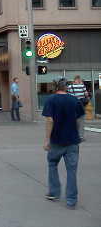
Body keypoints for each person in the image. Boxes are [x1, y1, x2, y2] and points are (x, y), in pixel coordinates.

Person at [42, 76, 84, 210]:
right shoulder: (75, 101)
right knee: (72, 171)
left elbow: (50, 121)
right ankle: (71, 200)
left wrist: (47, 140)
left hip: (57, 140)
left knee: (52, 163)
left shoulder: (51, 100)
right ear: (67, 86)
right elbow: (78, 122)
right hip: (72, 141)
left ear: (55, 87)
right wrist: (76, 135)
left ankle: (54, 191)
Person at [68, 75, 89, 141]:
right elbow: (86, 95)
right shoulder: (82, 86)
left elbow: (68, 95)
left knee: (73, 118)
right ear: (79, 79)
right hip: (80, 103)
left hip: (72, 103)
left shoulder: (70, 86)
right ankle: (80, 136)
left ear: (74, 79)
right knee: (81, 118)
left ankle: (73, 134)